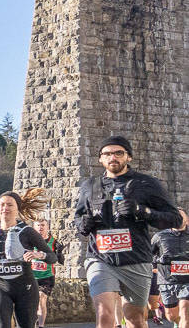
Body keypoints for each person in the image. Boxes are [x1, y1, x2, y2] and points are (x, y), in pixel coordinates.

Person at [71, 136, 183, 328]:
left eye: (118, 153)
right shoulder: (90, 186)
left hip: (136, 259)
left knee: (135, 319)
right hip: (100, 258)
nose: (112, 157)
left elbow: (175, 219)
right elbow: (78, 219)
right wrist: (84, 223)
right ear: (100, 159)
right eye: (107, 154)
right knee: (104, 313)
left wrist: (142, 211)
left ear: (128, 157)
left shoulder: (147, 184)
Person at [0, 190, 57, 328]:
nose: (4, 208)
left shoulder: (27, 231)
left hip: (25, 287)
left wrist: (39, 255)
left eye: (9, 205)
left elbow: (52, 257)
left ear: (17, 208)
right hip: (0, 286)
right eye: (2, 205)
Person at [151, 209, 189, 328]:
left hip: (187, 281)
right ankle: (179, 323)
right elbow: (148, 254)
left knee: (184, 311)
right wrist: (157, 263)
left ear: (187, 220)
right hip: (167, 281)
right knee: (171, 315)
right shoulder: (160, 236)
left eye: (181, 217)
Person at [32, 218, 63, 328]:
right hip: (31, 278)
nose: (40, 227)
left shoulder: (54, 242)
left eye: (43, 225)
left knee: (41, 299)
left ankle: (41, 325)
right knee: (32, 303)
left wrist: (60, 253)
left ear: (47, 227)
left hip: (47, 277)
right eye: (38, 225)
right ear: (33, 228)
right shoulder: (29, 242)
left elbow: (59, 259)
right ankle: (34, 322)